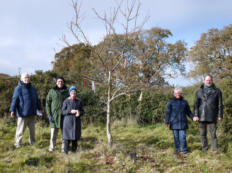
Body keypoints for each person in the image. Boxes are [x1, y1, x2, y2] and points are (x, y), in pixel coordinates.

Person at [9, 73, 42, 148]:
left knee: (32, 131)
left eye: (28, 77)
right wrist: (12, 110)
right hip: (22, 114)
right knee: (20, 131)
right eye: (25, 77)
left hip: (32, 113)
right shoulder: (18, 88)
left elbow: (37, 100)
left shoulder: (33, 88)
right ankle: (18, 144)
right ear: (21, 79)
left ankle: (33, 143)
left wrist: (39, 108)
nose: (27, 79)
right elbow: (15, 100)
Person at [194, 74, 223, 152]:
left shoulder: (217, 91)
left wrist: (220, 115)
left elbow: (220, 104)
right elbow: (196, 104)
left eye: (210, 80)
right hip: (201, 115)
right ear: (204, 81)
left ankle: (214, 149)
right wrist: (196, 115)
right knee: (202, 134)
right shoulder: (199, 91)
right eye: (207, 80)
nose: (208, 81)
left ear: (212, 81)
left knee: (213, 134)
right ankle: (204, 148)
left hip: (212, 115)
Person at [165, 88, 194, 154]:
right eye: (176, 93)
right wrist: (167, 121)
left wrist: (193, 117)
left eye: (179, 93)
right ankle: (177, 150)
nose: (177, 94)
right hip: (174, 123)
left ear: (181, 93)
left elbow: (188, 112)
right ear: (174, 94)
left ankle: (184, 151)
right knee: (176, 138)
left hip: (183, 123)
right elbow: (168, 113)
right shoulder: (170, 102)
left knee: (183, 137)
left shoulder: (185, 102)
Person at [46, 77, 69, 152]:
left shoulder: (67, 91)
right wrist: (49, 115)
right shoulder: (52, 91)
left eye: (61, 81)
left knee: (64, 134)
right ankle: (52, 148)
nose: (60, 82)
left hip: (64, 116)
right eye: (58, 81)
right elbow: (47, 104)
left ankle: (63, 148)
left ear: (63, 82)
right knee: (53, 134)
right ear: (56, 82)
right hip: (54, 116)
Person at [62, 86, 84, 154]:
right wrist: (70, 111)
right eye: (72, 92)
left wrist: (79, 113)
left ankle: (74, 152)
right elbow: (62, 111)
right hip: (67, 123)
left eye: (74, 92)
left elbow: (83, 111)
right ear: (69, 93)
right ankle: (66, 153)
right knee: (67, 139)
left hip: (76, 123)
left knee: (75, 139)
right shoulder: (66, 101)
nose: (73, 93)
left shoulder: (79, 101)